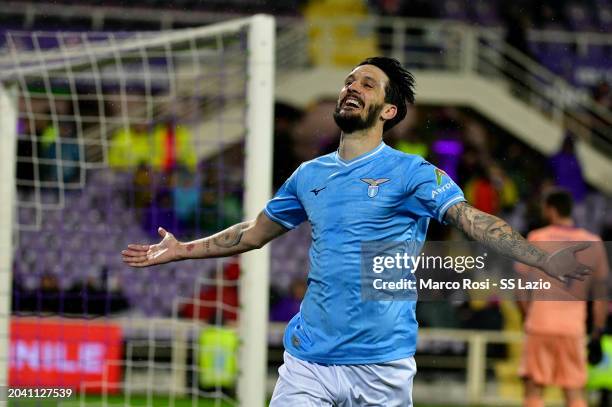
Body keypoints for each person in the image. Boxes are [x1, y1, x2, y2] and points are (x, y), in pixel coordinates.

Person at [122, 57, 592, 406]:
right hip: (308, 360)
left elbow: (471, 219)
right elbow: (253, 232)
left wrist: (542, 258)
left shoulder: (412, 173)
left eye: (366, 84)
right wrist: (182, 250)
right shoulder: (309, 174)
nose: (352, 87)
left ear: (388, 111)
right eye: (349, 81)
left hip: (381, 366)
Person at [516, 189, 608, 407]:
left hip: (540, 323)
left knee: (534, 391)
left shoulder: (537, 238)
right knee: (575, 393)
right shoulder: (593, 242)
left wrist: (527, 316)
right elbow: (601, 295)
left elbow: (520, 288)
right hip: (572, 328)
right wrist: (597, 332)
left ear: (550, 209)